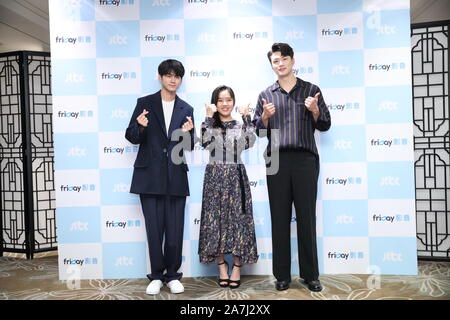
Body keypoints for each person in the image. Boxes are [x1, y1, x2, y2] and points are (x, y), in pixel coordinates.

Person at [253, 43, 331, 292]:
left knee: (307, 217)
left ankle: (310, 275)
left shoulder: (311, 90)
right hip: (276, 160)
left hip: (305, 159)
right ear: (272, 65)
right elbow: (259, 130)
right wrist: (264, 117)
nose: (280, 63)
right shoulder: (266, 94)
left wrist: (315, 109)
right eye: (275, 60)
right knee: (279, 218)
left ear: (293, 60)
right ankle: (282, 275)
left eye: (284, 59)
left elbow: (325, 124)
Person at [125, 59, 195, 295]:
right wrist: (140, 125)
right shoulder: (144, 103)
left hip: (176, 176)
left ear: (180, 80)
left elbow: (189, 147)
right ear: (160, 77)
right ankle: (156, 275)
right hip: (149, 175)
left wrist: (188, 134)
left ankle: (173, 275)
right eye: (168, 75)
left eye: (177, 76)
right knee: (154, 230)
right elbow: (132, 137)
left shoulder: (187, 108)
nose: (172, 79)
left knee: (174, 231)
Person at [198, 85, 259, 289]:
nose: (225, 104)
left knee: (238, 220)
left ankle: (237, 267)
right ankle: (221, 265)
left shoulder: (239, 124)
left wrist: (247, 117)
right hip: (214, 176)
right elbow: (206, 143)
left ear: (233, 102)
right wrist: (208, 118)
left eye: (228, 100)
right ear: (215, 103)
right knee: (215, 221)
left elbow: (249, 142)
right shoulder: (209, 124)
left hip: (236, 176)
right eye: (220, 100)